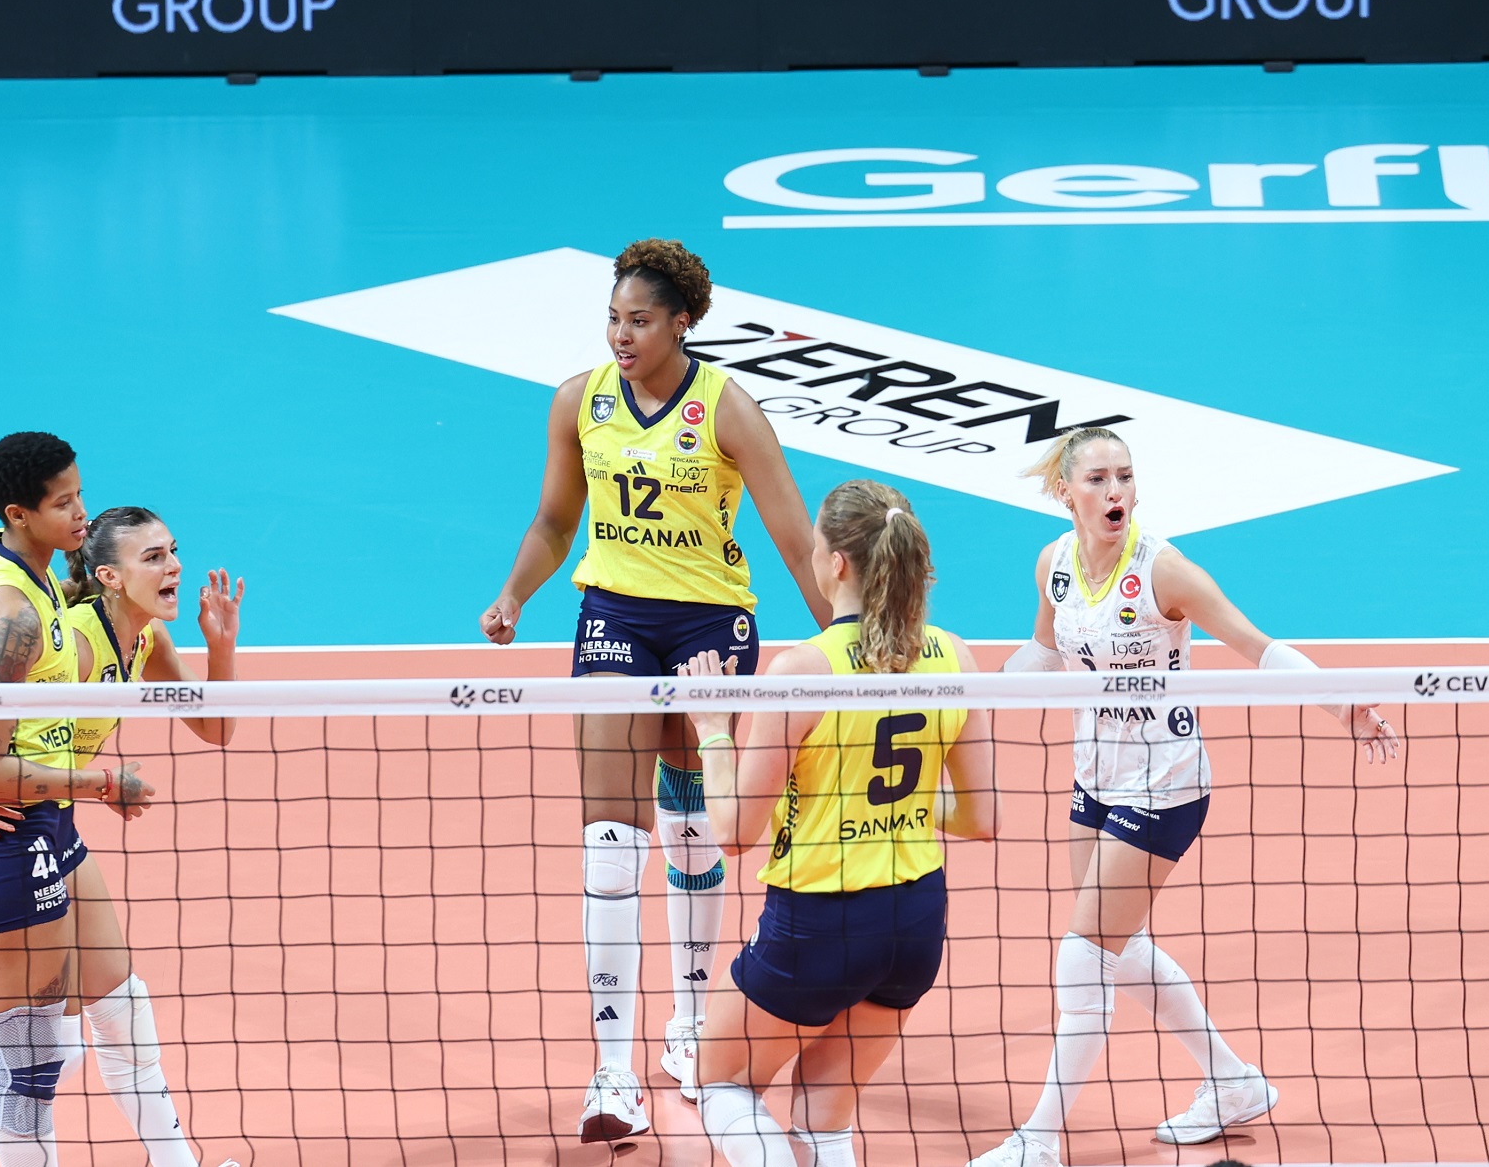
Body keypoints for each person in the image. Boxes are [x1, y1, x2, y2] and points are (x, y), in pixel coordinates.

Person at [966, 427, 1400, 1167]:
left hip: (1165, 783)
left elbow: (1257, 645)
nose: (1116, 492)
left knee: (1084, 955)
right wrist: (961, 698)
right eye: (1098, 479)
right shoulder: (1054, 564)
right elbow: (1041, 655)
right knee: (1120, 945)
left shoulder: (1164, 571)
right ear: (1066, 491)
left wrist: (1341, 704)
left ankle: (1038, 1138)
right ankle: (1234, 1082)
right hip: (1095, 773)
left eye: (1125, 476)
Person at [480, 239, 832, 1141]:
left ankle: (691, 1023)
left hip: (711, 626)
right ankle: (611, 1072)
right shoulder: (580, 401)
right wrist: (515, 592)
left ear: (682, 322)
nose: (622, 335)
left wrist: (849, 642)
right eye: (613, 319)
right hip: (614, 619)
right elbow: (555, 520)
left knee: (693, 829)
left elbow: (797, 540)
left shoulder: (729, 410)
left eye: (639, 320)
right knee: (609, 845)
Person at [0, 499, 245, 1167]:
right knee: (36, 1054)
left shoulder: (145, 639)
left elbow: (216, 726)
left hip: (50, 821)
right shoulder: (74, 643)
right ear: (111, 576)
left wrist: (222, 645)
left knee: (119, 1010)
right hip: (2, 832)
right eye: (154, 556)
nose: (175, 565)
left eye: (173, 550)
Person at [678, 479, 999, 1167]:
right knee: (823, 1119)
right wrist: (896, 806)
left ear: (837, 563)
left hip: (820, 923)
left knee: (718, 1081)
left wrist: (711, 728)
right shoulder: (955, 656)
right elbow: (983, 815)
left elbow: (733, 831)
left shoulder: (802, 671)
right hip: (915, 924)